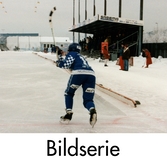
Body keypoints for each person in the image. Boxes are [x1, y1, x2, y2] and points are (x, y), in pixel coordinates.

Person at [56, 43, 97, 127]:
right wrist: (60, 57)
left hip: (78, 74)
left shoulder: (72, 54)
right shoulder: (81, 56)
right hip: (91, 75)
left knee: (69, 93)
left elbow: (66, 64)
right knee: (88, 100)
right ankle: (92, 110)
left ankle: (69, 113)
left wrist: (59, 62)